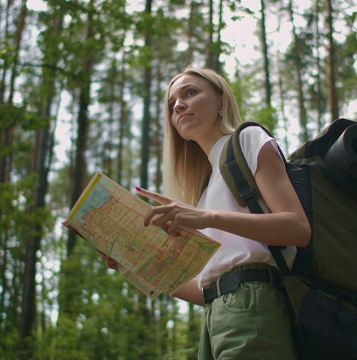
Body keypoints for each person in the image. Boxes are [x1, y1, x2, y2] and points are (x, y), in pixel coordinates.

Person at [103, 67, 311, 359]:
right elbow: (205, 290)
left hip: (255, 304)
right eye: (172, 103)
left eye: (190, 92)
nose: (178, 105)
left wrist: (207, 217)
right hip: (216, 317)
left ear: (222, 101)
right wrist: (137, 266)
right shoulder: (205, 190)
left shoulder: (247, 139)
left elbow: (297, 228)